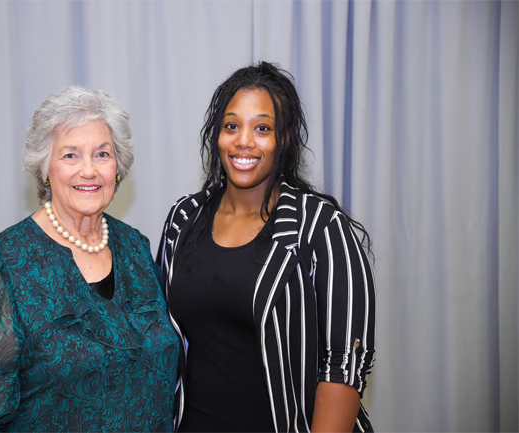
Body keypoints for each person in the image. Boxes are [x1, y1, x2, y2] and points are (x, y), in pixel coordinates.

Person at [0, 86, 179, 432]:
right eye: (70, 155)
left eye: (102, 154)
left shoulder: (135, 247)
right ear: (45, 168)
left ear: (118, 166)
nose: (89, 170)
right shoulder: (5, 264)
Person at [157, 62, 376, 433]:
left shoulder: (319, 226)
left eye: (262, 128)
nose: (244, 141)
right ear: (217, 135)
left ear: (284, 138)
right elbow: (161, 337)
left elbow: (344, 365)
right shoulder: (184, 219)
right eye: (231, 126)